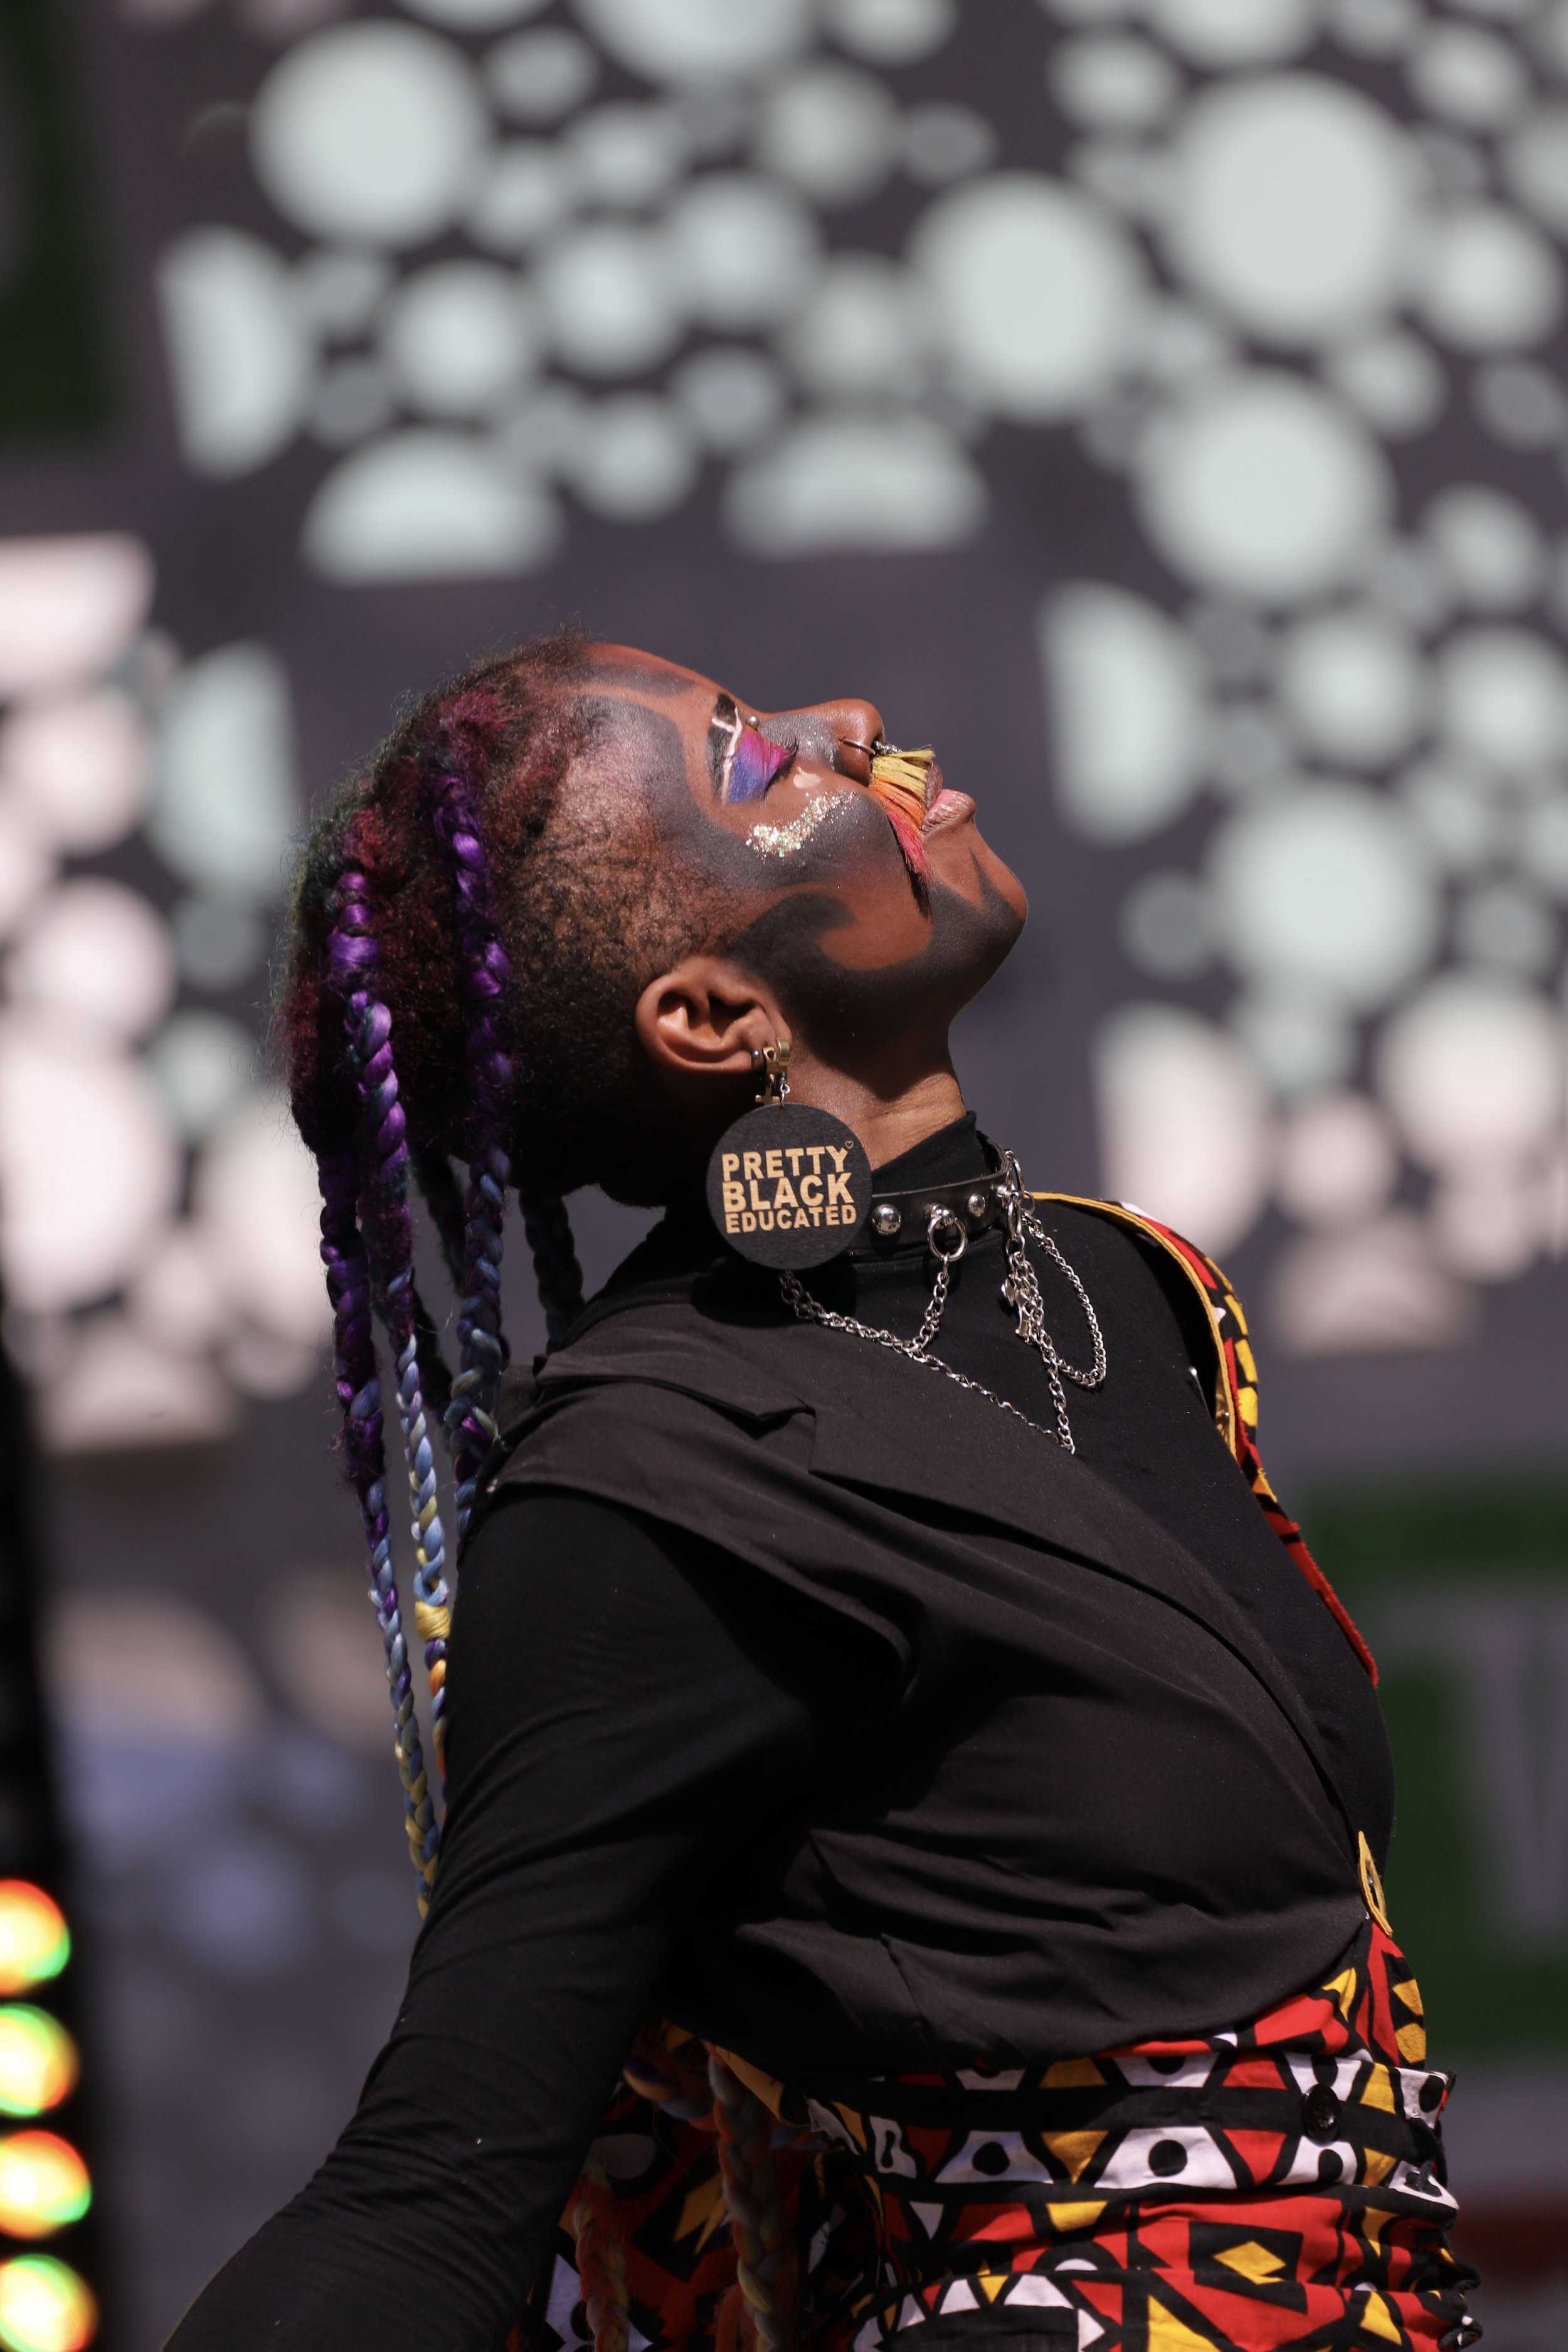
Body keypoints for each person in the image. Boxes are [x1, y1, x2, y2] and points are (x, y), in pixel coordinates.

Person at [167, 637, 1478, 2352]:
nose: (851, 726)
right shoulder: (658, 1480)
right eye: (750, 760)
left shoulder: (1134, 1290)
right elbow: (437, 2184)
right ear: (714, 1016)